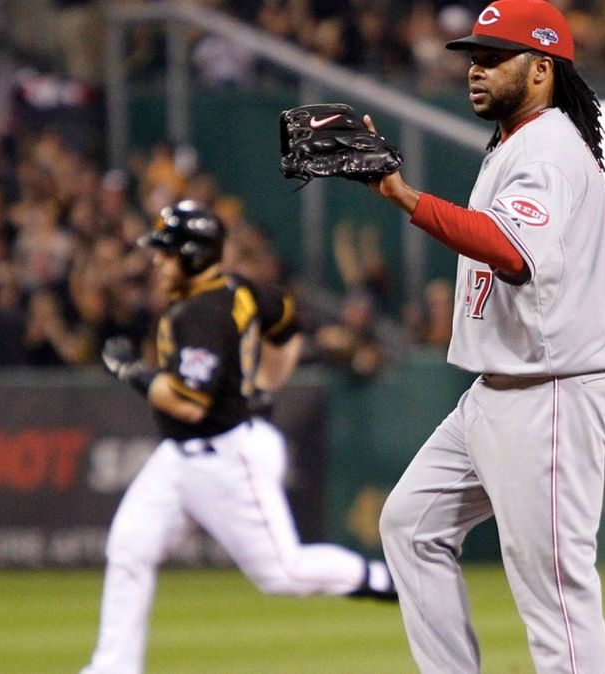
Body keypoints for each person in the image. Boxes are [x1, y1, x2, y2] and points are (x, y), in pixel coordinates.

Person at [362, 1, 605, 672]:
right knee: (410, 526)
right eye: (472, 58)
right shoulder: (516, 143)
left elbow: (512, 253)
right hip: (502, 388)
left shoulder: (547, 148)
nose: (475, 70)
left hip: (553, 391)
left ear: (541, 68)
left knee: (555, 594)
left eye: (492, 58)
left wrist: (406, 198)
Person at [83, 201, 397, 674]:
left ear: (191, 256)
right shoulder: (239, 289)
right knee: (129, 548)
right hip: (182, 457)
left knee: (283, 572)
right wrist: (264, 388)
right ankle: (112, 668)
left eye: (165, 253)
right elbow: (285, 330)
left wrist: (132, 372)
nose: (155, 260)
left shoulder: (202, 315)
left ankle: (384, 578)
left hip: (225, 456)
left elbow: (190, 402)